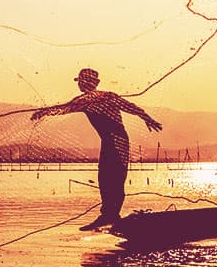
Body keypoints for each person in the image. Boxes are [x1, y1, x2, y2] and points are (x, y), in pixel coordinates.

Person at [30, 68, 163, 228]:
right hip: (111, 140)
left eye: (81, 81)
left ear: (90, 83)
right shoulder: (92, 99)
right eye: (79, 81)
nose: (80, 84)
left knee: (113, 178)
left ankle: (110, 215)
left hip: (116, 140)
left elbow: (130, 107)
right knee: (106, 177)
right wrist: (44, 112)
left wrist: (43, 112)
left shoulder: (91, 99)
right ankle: (109, 214)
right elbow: (64, 108)